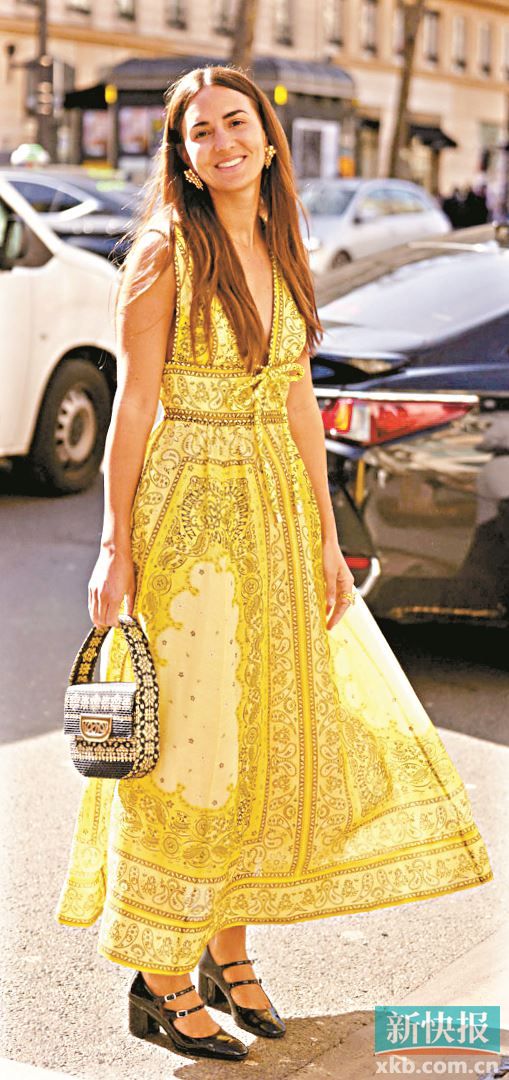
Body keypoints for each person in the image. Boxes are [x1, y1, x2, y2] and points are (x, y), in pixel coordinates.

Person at [55, 65, 493, 1063]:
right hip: (190, 514)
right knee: (191, 745)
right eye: (199, 132)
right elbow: (133, 403)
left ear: (266, 137)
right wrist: (115, 544)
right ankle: (160, 976)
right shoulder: (166, 250)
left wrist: (323, 535)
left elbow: (296, 394)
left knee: (253, 736)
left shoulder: (281, 240)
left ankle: (227, 952)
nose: (221, 143)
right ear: (182, 155)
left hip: (273, 515)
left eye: (235, 123)